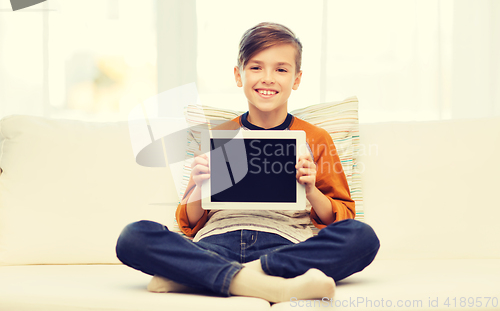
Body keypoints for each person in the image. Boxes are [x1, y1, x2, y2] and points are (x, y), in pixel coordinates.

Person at [116, 22, 379, 303]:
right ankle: (269, 285)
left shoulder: (316, 138)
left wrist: (311, 189)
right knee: (134, 236)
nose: (267, 78)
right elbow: (190, 224)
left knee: (361, 237)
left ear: (297, 79)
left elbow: (340, 218)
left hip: (283, 248)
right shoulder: (218, 136)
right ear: (238, 75)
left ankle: (207, 276)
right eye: (256, 67)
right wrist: (196, 185)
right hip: (216, 243)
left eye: (281, 69)